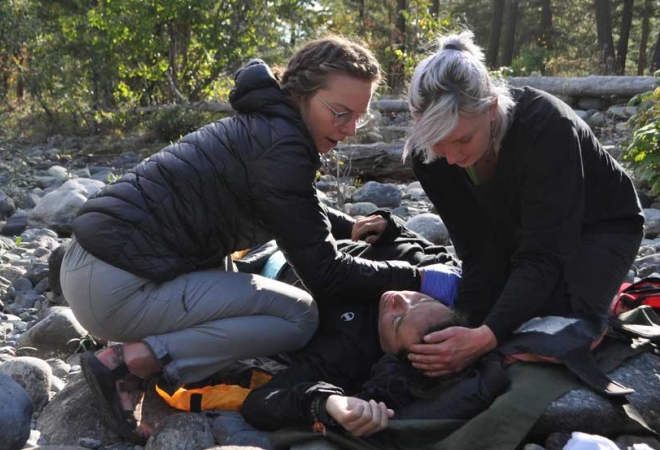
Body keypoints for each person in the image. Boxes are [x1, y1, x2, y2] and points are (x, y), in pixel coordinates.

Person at [60, 35, 461, 442]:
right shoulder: (282, 148)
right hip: (116, 286)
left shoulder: (268, 127)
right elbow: (324, 273)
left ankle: (150, 348)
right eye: (340, 113)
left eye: (360, 116)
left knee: (234, 276)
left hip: (98, 267)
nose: (351, 129)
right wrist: (421, 279)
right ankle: (128, 364)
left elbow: (292, 205)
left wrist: (349, 225)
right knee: (298, 315)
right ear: (302, 94)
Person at [397, 30, 644, 377]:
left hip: (600, 226)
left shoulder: (547, 126)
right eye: (438, 144)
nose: (452, 157)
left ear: (492, 109)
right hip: (516, 229)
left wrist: (485, 337)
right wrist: (466, 323)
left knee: (556, 325)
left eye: (463, 139)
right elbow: (478, 249)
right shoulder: (430, 156)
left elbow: (544, 252)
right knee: (491, 310)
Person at [240, 290, 508, 437]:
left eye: (397, 320)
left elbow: (258, 402)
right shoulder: (415, 285)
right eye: (423, 299)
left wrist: (324, 403)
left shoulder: (341, 357)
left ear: (389, 353)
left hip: (265, 276)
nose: (398, 298)